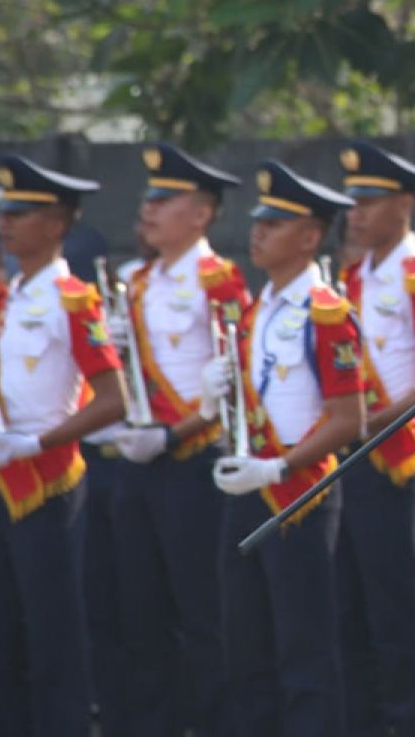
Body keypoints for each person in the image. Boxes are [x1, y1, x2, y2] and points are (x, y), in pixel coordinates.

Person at [0, 154, 125, 735]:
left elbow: (112, 399)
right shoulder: (5, 301)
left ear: (57, 222)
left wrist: (34, 442)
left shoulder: (73, 300)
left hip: (48, 481)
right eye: (6, 211)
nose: (7, 222)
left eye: (21, 212)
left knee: (52, 636)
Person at [197, 159, 364, 736]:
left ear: (311, 237)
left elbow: (349, 418)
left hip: (300, 493)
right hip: (249, 487)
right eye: (259, 222)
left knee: (304, 653)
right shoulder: (253, 310)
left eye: (276, 223)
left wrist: (278, 465)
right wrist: (213, 401)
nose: (257, 232)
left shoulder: (327, 311)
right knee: (245, 651)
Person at [108, 143, 250, 736]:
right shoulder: (133, 281)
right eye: (147, 199)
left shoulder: (219, 280)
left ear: (201, 214)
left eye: (164, 200)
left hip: (193, 460)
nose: (148, 210)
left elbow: (231, 380)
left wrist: (172, 433)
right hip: (136, 460)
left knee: (200, 612)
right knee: (137, 609)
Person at [334, 140, 415, 737]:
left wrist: (363, 423)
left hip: (397, 460)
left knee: (397, 610)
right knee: (348, 609)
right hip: (349, 457)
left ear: (403, 203)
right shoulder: (351, 278)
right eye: (353, 201)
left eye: (370, 200)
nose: (356, 212)